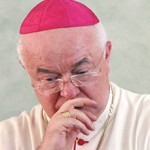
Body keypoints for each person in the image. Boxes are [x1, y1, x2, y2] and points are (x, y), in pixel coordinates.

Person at [0, 0, 150, 150]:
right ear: (28, 73)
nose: (68, 93)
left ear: (106, 55)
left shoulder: (145, 119)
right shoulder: (6, 137)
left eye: (81, 72)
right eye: (50, 79)